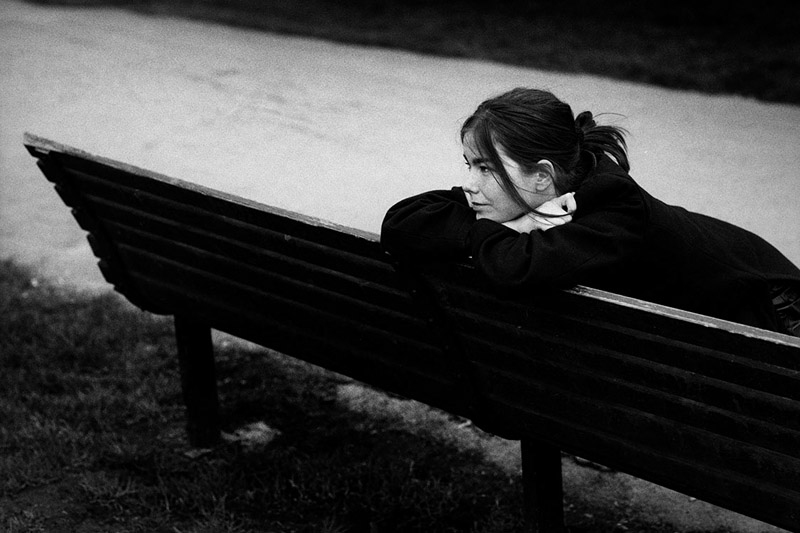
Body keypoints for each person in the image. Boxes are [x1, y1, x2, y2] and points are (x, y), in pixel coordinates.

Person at [380, 87, 800, 336]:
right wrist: (504, 226)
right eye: (469, 165)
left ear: (543, 176)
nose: (471, 184)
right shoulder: (519, 195)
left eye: (486, 168)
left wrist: (482, 232)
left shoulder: (616, 210)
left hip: (773, 310)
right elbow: (402, 221)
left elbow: (515, 267)